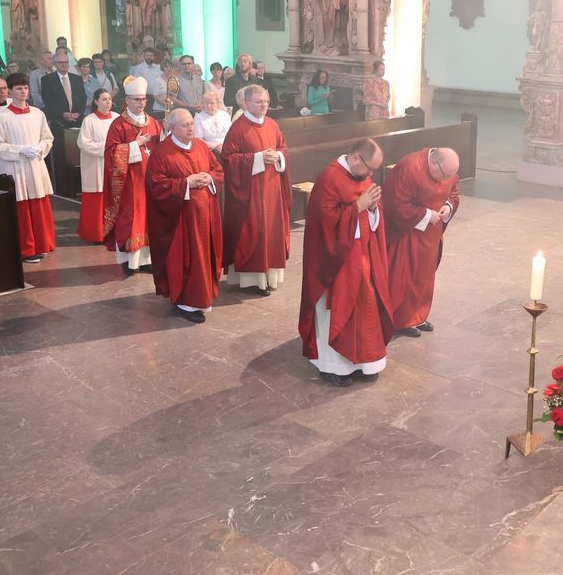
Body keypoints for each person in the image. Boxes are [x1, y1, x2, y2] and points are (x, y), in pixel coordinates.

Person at [298, 138, 394, 387]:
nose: (371, 174)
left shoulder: (362, 175)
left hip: (361, 256)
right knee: (338, 310)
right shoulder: (329, 178)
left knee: (366, 306)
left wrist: (372, 209)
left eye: (375, 169)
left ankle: (363, 361)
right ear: (354, 157)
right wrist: (358, 208)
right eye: (369, 168)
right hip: (333, 262)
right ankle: (333, 367)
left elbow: (370, 213)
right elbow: (324, 224)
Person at [145, 108, 225, 323]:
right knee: (188, 259)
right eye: (185, 125)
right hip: (181, 220)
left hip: (205, 215)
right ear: (171, 128)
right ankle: (186, 302)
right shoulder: (162, 153)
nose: (191, 127)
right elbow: (155, 186)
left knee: (204, 258)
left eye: (191, 123)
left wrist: (209, 178)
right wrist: (185, 184)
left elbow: (218, 170)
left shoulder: (200, 145)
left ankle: (203, 295)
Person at [220, 84, 291, 296]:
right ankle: (252, 280)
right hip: (250, 193)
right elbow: (228, 159)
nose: (264, 106)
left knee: (271, 230)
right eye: (260, 102)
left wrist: (278, 156)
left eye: (267, 102)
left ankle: (269, 275)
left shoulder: (272, 125)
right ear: (246, 103)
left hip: (272, 189)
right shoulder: (238, 127)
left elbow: (283, 149)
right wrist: (259, 158)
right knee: (253, 232)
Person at [383, 148, 460, 337]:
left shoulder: (446, 169)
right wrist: (426, 215)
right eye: (443, 175)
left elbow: (454, 192)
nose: (444, 180)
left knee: (424, 277)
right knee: (406, 276)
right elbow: (395, 203)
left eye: (449, 175)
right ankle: (401, 320)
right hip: (408, 233)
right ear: (434, 162)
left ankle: (419, 316)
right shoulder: (409, 168)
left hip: (431, 234)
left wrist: (448, 207)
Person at [0, 73, 56, 262]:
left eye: (25, 87)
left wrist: (39, 148)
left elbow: (47, 137)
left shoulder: (37, 113)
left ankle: (43, 244)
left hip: (35, 164)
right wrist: (21, 150)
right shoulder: (3, 117)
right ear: (10, 91)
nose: (23, 91)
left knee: (39, 205)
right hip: (15, 168)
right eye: (19, 88)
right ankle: (27, 249)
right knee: (23, 208)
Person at [103, 75, 162, 276]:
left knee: (149, 217)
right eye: (136, 99)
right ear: (127, 100)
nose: (141, 103)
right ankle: (130, 261)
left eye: (144, 99)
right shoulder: (119, 125)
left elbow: (160, 150)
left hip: (150, 178)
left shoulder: (153, 122)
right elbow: (111, 154)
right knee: (132, 217)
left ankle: (146, 260)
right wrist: (135, 145)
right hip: (129, 180)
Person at [77, 89, 119, 243]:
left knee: (114, 198)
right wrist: (108, 148)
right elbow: (83, 143)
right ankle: (97, 233)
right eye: (103, 99)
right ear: (95, 101)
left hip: (114, 165)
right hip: (96, 165)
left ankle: (114, 231)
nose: (108, 102)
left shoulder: (117, 118)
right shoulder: (89, 120)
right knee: (98, 198)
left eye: (109, 99)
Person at [40, 53, 86, 129]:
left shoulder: (77, 79)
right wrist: (63, 114)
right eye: (60, 62)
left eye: (66, 62)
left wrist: (78, 113)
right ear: (54, 64)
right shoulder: (47, 80)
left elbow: (83, 98)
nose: (64, 64)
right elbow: (47, 101)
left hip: (77, 120)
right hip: (58, 121)